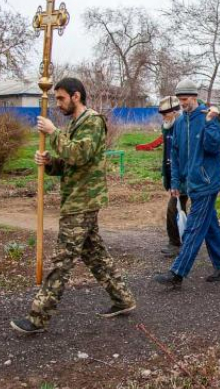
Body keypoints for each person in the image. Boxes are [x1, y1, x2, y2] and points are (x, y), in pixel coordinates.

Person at [11, 78, 135, 334]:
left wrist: (53, 132)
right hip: (77, 198)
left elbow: (79, 154)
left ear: (76, 96)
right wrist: (48, 163)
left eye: (61, 98)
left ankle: (38, 317)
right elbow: (70, 162)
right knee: (94, 253)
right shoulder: (75, 124)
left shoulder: (92, 121)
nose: (58, 104)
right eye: (56, 99)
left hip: (83, 201)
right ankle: (123, 299)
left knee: (62, 260)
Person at [153, 79, 220, 288]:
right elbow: (175, 153)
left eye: (185, 99)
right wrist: (175, 182)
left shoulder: (209, 117)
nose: (182, 103)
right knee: (209, 225)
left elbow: (214, 147)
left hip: (207, 182)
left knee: (194, 228)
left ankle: (177, 273)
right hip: (189, 182)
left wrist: (209, 122)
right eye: (179, 99)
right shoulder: (179, 122)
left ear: (195, 97)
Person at [156, 96, 188, 258]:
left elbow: (183, 156)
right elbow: (167, 155)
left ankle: (176, 243)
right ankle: (185, 241)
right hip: (174, 177)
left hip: (183, 178)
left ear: (174, 112)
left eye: (165, 114)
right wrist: (167, 177)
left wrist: (179, 181)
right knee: (180, 210)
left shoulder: (183, 127)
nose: (163, 117)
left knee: (172, 209)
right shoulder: (168, 127)